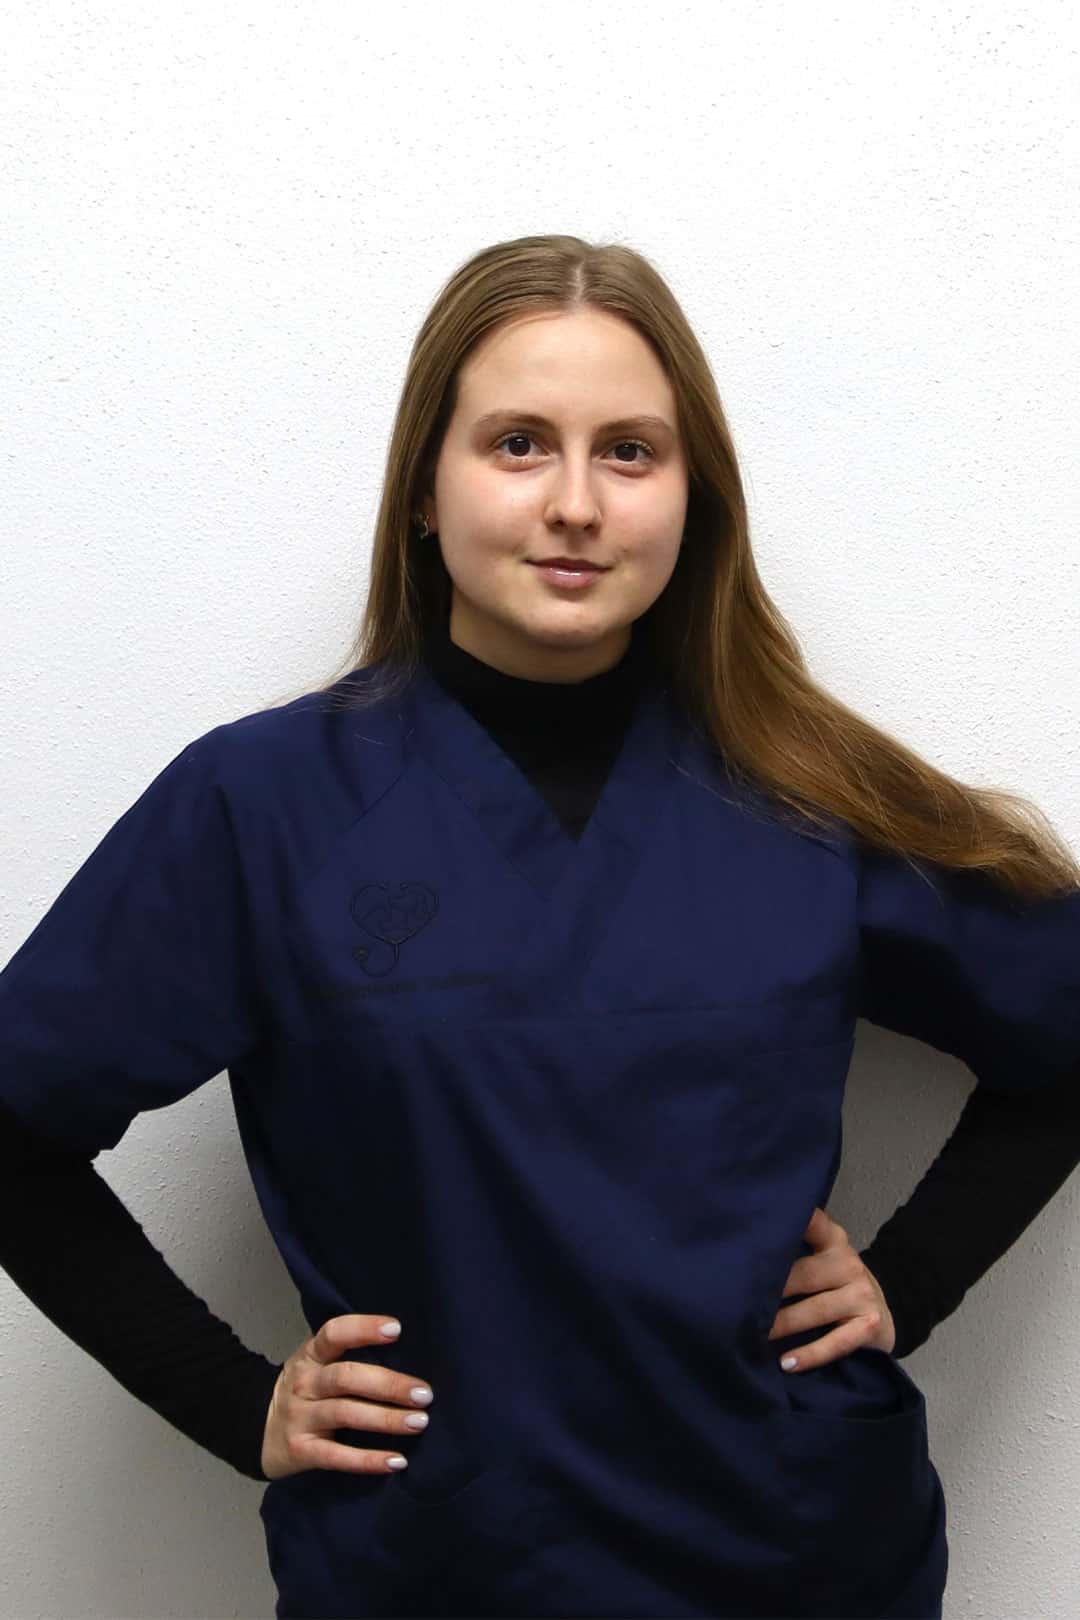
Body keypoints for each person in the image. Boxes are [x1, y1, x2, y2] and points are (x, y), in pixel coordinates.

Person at [1, 233, 1079, 1620]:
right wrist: (229, 1398)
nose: (575, 503)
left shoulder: (807, 797)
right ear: (424, 490)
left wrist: (911, 1280)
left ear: (693, 498)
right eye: (518, 444)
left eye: (630, 452)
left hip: (797, 1557)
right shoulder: (260, 809)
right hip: (438, 1567)